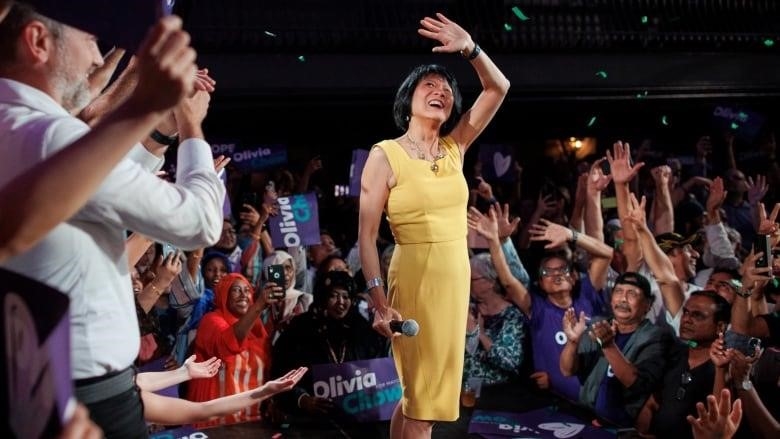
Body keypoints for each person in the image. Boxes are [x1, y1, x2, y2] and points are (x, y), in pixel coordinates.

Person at [0, 3, 225, 437]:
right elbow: (199, 222)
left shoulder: (17, 126)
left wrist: (157, 130)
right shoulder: (52, 135)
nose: (96, 59)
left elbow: (92, 192)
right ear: (38, 42)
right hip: (90, 401)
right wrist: (191, 125)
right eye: (88, 39)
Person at [358, 12, 510, 438]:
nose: (440, 92)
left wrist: (471, 49)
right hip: (414, 279)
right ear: (409, 98)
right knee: (423, 404)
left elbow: (499, 88)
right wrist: (378, 303)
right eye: (430, 86)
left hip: (454, 281)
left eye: (447, 90)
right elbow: (367, 238)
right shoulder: (384, 155)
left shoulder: (455, 147)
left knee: (420, 399)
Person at [186, 273, 278, 428]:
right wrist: (259, 305)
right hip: (216, 423)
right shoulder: (211, 321)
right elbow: (228, 344)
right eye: (236, 290)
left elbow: (267, 368)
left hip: (252, 421)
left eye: (247, 290)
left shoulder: (256, 326)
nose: (243, 295)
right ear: (224, 295)